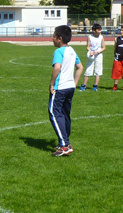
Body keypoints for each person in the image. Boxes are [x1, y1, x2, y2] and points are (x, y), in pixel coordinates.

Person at [47, 25, 83, 156]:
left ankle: (64, 145)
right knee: (64, 114)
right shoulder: (72, 50)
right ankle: (64, 142)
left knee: (54, 113)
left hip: (60, 88)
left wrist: (51, 84)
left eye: (54, 36)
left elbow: (57, 68)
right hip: (70, 88)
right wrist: (74, 83)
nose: (52, 38)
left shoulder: (59, 51)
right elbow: (80, 67)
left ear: (59, 38)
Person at [79, 23, 105, 91]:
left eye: (100, 30)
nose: (100, 31)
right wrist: (90, 51)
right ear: (94, 30)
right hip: (91, 55)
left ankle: (95, 86)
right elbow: (88, 46)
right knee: (88, 69)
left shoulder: (101, 37)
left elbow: (104, 47)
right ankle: (84, 85)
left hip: (98, 55)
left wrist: (98, 52)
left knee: (98, 70)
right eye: (98, 30)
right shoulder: (90, 37)